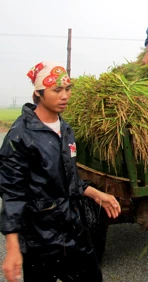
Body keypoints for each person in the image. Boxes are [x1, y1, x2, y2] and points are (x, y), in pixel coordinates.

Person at [0, 62, 121, 282]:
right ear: (38, 92)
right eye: (57, 90)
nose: (65, 95)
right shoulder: (20, 136)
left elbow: (69, 177)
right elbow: (12, 195)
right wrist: (13, 247)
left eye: (67, 89)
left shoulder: (65, 129)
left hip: (73, 229)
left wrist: (97, 194)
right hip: (40, 238)